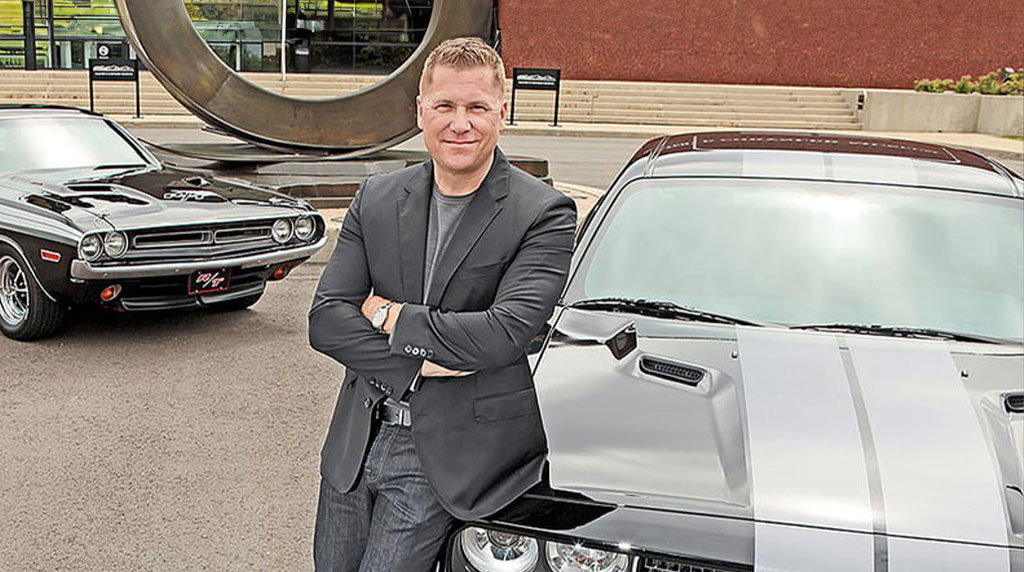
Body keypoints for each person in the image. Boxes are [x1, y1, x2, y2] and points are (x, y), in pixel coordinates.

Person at [308, 37, 577, 572]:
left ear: (501, 112)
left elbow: (503, 335)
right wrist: (418, 364)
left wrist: (388, 315)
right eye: (445, 106)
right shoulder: (378, 198)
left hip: (447, 455)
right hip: (355, 443)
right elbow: (327, 320)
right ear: (420, 111)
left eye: (477, 107)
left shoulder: (543, 213)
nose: (460, 123)